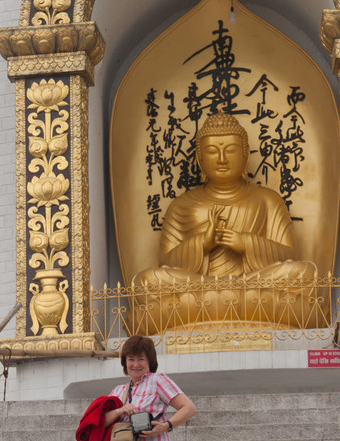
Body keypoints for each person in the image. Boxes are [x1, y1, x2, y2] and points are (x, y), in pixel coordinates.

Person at [133, 112, 319, 327]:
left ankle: (222, 299)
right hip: (202, 286)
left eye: (231, 150)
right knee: (146, 281)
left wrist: (246, 243)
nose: (222, 159)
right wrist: (203, 244)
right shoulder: (182, 204)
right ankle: (229, 298)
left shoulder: (267, 199)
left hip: (251, 284)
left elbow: (289, 254)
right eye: (212, 151)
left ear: (246, 156)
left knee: (302, 273)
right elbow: (166, 261)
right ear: (200, 159)